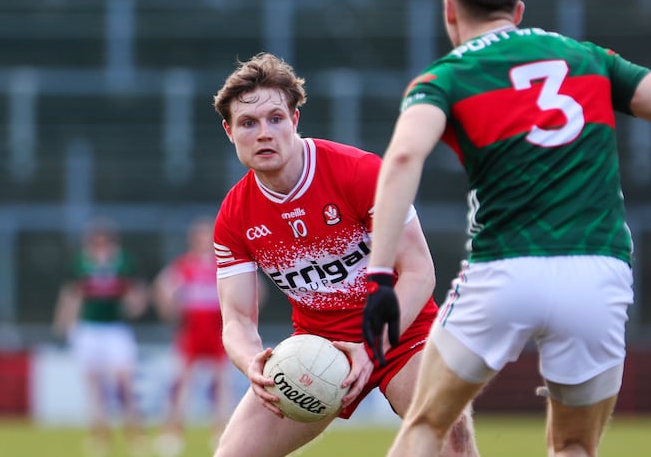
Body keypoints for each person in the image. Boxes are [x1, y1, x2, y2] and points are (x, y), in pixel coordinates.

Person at [360, 0, 651, 457]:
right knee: (574, 445)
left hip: (504, 270)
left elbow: (401, 159)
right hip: (596, 273)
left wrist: (379, 275)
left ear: (449, 11)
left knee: (426, 424)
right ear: (518, 9)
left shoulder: (447, 76)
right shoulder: (587, 59)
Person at [209, 52, 478, 457]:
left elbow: (420, 272)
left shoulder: (359, 172)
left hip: (403, 337)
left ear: (295, 121)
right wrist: (252, 364)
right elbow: (238, 320)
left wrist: (373, 350)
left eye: (275, 118)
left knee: (450, 436)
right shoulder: (234, 216)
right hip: (318, 351)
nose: (264, 132)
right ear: (229, 131)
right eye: (248, 123)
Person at [52, 218, 149, 457]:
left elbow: (137, 294)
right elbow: (70, 296)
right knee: (94, 383)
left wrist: (135, 305)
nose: (101, 247)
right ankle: (100, 432)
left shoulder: (124, 262)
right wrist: (62, 324)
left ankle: (133, 431)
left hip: (116, 328)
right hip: (89, 328)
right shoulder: (80, 263)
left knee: (124, 380)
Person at [152, 216, 233, 456]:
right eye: (200, 236)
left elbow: (254, 288)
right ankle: (172, 432)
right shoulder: (185, 265)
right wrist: (170, 313)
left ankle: (222, 432)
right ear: (193, 239)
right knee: (182, 383)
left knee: (223, 384)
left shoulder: (223, 264)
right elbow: (162, 287)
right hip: (192, 331)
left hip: (219, 331)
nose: (204, 241)